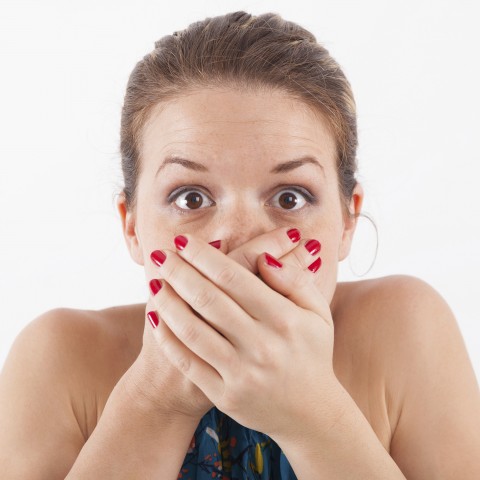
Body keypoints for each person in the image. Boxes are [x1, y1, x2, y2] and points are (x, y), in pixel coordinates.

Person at [1, 10, 479, 479]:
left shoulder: (404, 330)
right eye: (191, 197)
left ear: (348, 219)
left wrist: (314, 414)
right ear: (131, 226)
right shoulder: (57, 359)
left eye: (290, 197)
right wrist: (153, 402)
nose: (240, 235)